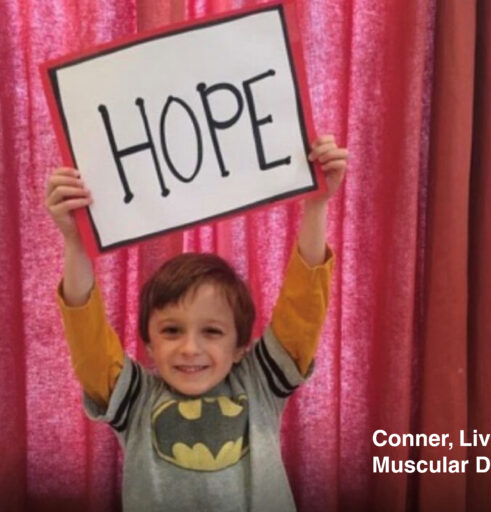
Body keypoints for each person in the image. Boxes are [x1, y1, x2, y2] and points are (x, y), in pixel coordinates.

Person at [44, 135, 348, 511]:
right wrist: (75, 242)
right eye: (171, 330)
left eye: (212, 331)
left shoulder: (258, 382)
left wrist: (316, 207)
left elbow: (302, 310)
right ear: (149, 344)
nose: (190, 348)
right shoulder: (136, 399)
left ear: (240, 347)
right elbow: (87, 338)